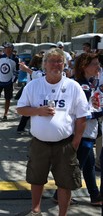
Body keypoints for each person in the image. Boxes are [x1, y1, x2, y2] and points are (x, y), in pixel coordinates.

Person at [17, 48, 89, 216]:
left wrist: (76, 142)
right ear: (44, 65)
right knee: (36, 178)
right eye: (52, 61)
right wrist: (37, 111)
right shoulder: (33, 85)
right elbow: (21, 109)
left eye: (59, 61)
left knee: (65, 183)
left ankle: (62, 214)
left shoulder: (73, 86)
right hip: (39, 143)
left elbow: (82, 117)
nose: (56, 65)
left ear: (64, 64)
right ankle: (36, 210)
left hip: (65, 144)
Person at [51, 52, 102, 206]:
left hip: (86, 133)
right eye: (94, 64)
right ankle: (59, 195)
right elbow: (82, 114)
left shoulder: (86, 83)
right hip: (83, 133)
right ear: (84, 67)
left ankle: (95, 196)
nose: (98, 67)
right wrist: (99, 112)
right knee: (75, 167)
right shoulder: (83, 86)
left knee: (88, 166)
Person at [0, 42, 19, 121]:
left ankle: (5, 114)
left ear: (11, 49)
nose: (5, 50)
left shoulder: (15, 59)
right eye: (4, 48)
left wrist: (13, 80)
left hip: (8, 82)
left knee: (7, 98)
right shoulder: (0, 57)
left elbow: (16, 71)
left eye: (6, 48)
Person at [16, 54, 44, 134]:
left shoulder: (32, 69)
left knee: (28, 112)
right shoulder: (35, 70)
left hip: (31, 90)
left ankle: (21, 128)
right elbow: (39, 77)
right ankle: (21, 128)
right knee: (29, 112)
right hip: (34, 92)